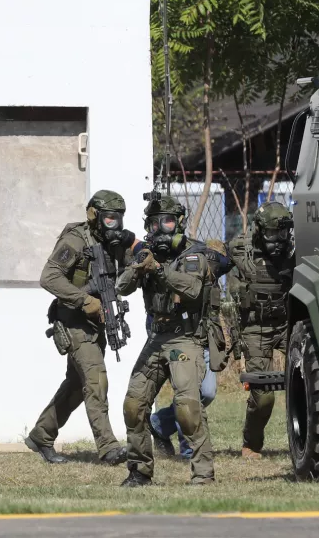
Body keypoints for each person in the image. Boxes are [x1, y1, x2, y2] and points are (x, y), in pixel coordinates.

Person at [25, 190, 133, 466]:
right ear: (94, 215)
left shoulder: (113, 243)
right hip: (73, 322)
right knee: (96, 380)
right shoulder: (75, 239)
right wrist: (84, 299)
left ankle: (41, 435)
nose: (114, 224)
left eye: (118, 218)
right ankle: (109, 448)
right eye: (109, 218)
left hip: (97, 323)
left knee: (76, 385)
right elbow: (48, 278)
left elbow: (126, 273)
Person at [117, 196, 218, 486]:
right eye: (155, 223)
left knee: (187, 408)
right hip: (156, 338)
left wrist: (160, 270)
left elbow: (192, 289)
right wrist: (138, 265)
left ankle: (203, 474)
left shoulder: (194, 255)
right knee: (133, 405)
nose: (162, 228)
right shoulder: (148, 254)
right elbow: (122, 287)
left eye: (168, 221)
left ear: (180, 223)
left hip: (185, 339)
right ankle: (139, 472)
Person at [227, 201, 294, 460]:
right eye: (271, 234)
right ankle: (251, 444)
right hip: (256, 328)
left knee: (312, 382)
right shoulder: (241, 249)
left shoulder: (294, 252)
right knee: (263, 397)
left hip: (289, 325)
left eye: (283, 233)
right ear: (258, 231)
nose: (278, 240)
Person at [148, 345, 217, 459]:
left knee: (208, 393)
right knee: (186, 397)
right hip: (181, 345)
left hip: (205, 344)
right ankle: (189, 450)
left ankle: (159, 423)